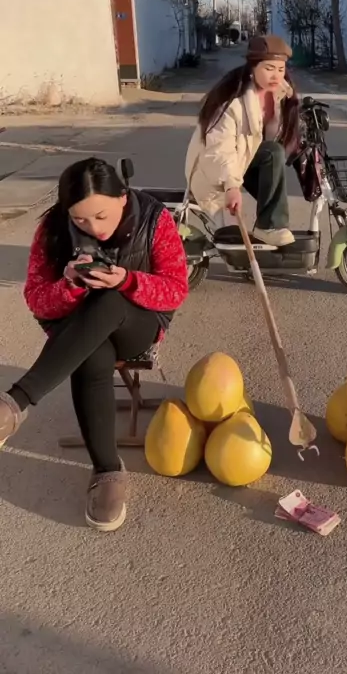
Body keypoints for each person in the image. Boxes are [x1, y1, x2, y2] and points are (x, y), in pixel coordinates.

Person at [0, 158, 188, 533]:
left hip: (137, 324)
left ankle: (14, 402)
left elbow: (176, 289)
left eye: (101, 216)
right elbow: (37, 300)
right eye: (81, 220)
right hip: (77, 332)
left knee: (110, 300)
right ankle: (107, 471)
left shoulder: (154, 218)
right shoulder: (53, 228)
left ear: (123, 197)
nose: (94, 228)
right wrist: (70, 283)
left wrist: (127, 281)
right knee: (92, 354)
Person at [186, 34, 300, 246]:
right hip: (214, 169)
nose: (276, 75)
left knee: (274, 153)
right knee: (273, 153)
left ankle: (271, 222)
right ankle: (269, 226)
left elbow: (272, 138)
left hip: (243, 160)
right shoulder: (232, 104)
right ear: (253, 68)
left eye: (281, 69)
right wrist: (231, 186)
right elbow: (219, 150)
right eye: (269, 68)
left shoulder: (280, 94)